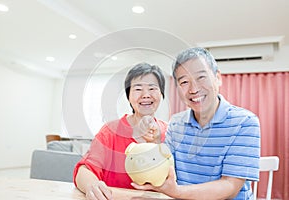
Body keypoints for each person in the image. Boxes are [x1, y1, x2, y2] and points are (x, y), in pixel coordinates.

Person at [132, 47, 261, 199]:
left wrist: (176, 192)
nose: (194, 89)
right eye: (185, 82)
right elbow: (167, 166)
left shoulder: (245, 122)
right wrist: (154, 143)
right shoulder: (176, 123)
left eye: (201, 77)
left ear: (217, 78)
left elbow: (230, 187)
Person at [73, 62, 168, 200]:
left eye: (152, 88)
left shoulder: (171, 132)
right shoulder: (110, 131)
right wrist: (92, 185)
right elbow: (85, 170)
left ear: (161, 94)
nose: (146, 95)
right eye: (138, 89)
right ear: (128, 96)